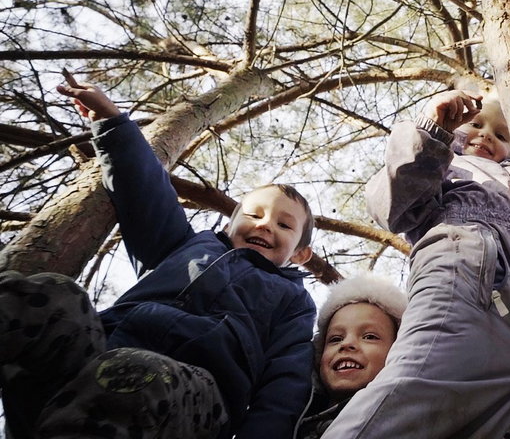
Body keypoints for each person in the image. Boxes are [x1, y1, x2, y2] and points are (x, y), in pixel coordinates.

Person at [0, 79, 318, 438]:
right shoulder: (187, 245)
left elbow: (285, 383)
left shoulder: (294, 301)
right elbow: (146, 194)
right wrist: (113, 124)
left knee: (138, 371)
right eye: (254, 214)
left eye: (284, 224)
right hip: (89, 363)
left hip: (188, 400)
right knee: (54, 295)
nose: (265, 225)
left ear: (301, 253)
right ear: (229, 224)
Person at [321, 89, 510, 438]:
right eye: (475, 124)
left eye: (502, 134)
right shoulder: (447, 166)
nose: (486, 135)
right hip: (460, 274)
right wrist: (431, 132)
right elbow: (392, 205)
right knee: (417, 384)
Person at [299, 274, 408, 439]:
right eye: (335, 339)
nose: (346, 344)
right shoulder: (291, 418)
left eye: (369, 337)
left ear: (397, 350)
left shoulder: (407, 420)